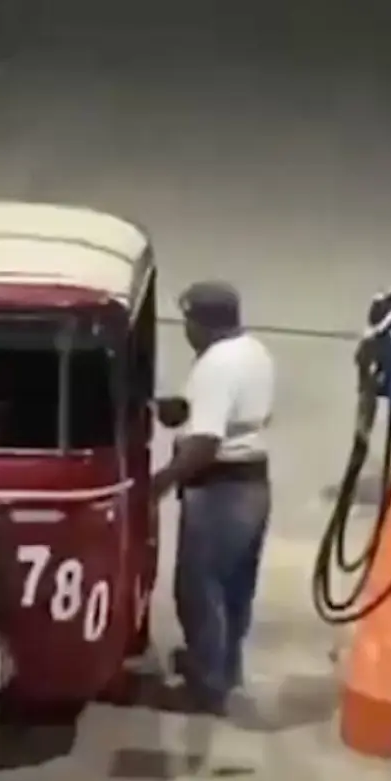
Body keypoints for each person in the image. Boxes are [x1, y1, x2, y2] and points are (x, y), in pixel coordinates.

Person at [151, 281, 275, 715]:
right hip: (254, 486)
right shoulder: (252, 351)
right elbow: (232, 411)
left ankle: (204, 686)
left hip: (220, 490)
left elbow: (204, 443)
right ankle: (224, 667)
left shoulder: (215, 366)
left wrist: (161, 482)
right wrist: (182, 409)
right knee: (234, 587)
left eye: (187, 321)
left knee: (199, 589)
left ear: (199, 322)